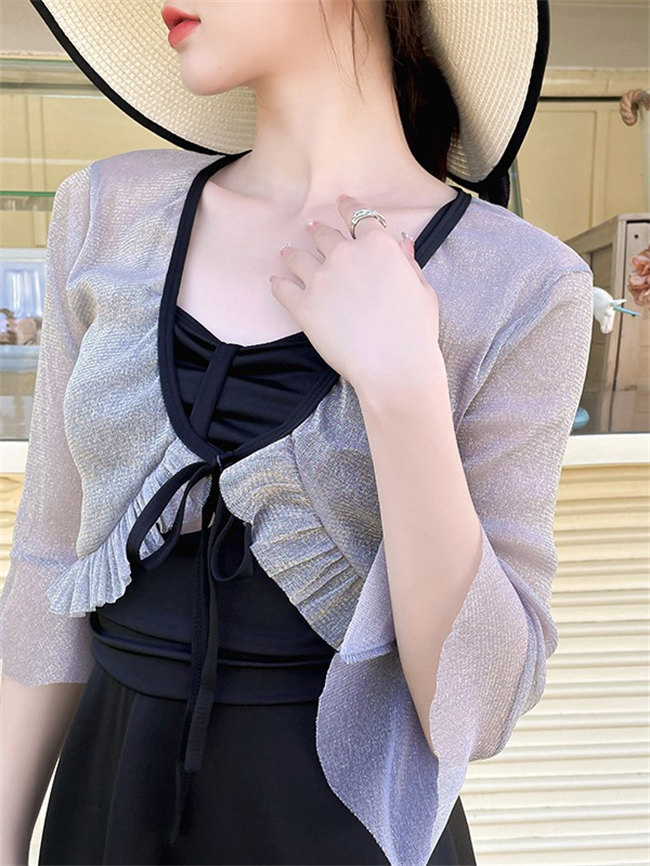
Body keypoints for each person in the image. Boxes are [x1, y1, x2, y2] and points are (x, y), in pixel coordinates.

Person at [0, 1, 595, 865]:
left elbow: (476, 710)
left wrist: (402, 388)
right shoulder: (104, 210)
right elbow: (50, 562)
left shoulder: (523, 282)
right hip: (106, 810)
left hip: (341, 835)